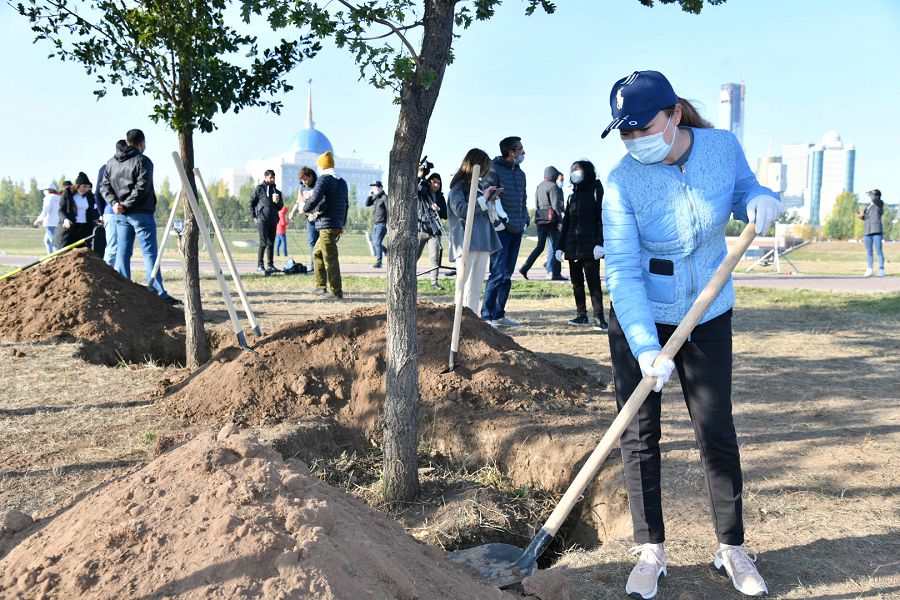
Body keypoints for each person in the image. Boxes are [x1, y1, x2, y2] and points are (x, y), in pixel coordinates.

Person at [600, 70, 782, 599]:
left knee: (715, 428)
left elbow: (745, 187)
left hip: (707, 312)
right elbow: (623, 272)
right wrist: (644, 345)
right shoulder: (622, 180)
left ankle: (731, 548)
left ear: (674, 114)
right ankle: (651, 550)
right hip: (641, 315)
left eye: (643, 128)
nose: (635, 141)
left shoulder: (721, 148)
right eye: (625, 133)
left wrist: (761, 196)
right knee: (638, 433)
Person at [100, 128, 178, 305]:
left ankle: (124, 291)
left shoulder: (111, 162)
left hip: (119, 213)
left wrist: (115, 204)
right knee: (150, 253)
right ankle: (157, 292)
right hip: (141, 212)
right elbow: (142, 187)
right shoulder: (143, 161)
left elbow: (104, 187)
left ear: (127, 142)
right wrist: (126, 205)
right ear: (142, 143)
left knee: (122, 253)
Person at [481, 136, 529, 327]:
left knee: (508, 274)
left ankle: (499, 313)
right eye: (520, 149)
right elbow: (489, 196)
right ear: (511, 152)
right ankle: (487, 315)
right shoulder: (493, 170)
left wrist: (525, 218)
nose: (523, 153)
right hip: (501, 230)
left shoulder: (521, 173)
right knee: (497, 273)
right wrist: (500, 221)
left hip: (518, 228)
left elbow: (523, 199)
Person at [447, 148, 501, 314]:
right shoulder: (459, 187)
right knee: (464, 286)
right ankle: (460, 320)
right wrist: (484, 199)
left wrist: (490, 201)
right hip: (466, 242)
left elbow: (479, 210)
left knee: (476, 288)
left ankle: (473, 321)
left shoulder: (478, 186)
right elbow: (462, 211)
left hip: (483, 241)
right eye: (484, 166)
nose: (485, 171)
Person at [555, 160, 607, 331]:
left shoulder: (596, 191)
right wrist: (560, 246)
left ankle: (599, 318)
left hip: (591, 246)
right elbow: (567, 222)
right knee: (576, 283)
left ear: (586, 171)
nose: (572, 173)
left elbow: (602, 219)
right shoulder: (572, 195)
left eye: (576, 169)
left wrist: (600, 243)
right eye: (571, 170)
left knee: (593, 283)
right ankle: (581, 315)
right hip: (573, 246)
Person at [303, 151, 348, 298]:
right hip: (335, 223)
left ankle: (336, 292)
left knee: (330, 258)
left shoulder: (324, 179)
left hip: (326, 224)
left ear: (321, 166)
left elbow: (315, 197)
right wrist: (342, 224)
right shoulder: (342, 182)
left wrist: (305, 208)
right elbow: (346, 205)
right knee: (317, 253)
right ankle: (321, 286)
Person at [519, 166, 564, 280]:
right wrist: (560, 221)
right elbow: (555, 206)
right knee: (556, 247)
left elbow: (537, 204)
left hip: (540, 220)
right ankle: (556, 274)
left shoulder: (539, 186)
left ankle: (524, 268)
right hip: (552, 221)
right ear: (553, 175)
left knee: (539, 247)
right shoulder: (553, 186)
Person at [97, 139, 128, 267]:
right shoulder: (107, 168)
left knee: (120, 248)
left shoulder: (109, 166)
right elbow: (98, 192)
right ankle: (108, 276)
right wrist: (101, 213)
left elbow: (98, 193)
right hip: (112, 211)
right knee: (114, 247)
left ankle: (118, 277)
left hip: (120, 211)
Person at [416, 172, 448, 289]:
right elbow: (416, 186)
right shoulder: (423, 194)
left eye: (439, 183)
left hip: (435, 231)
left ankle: (434, 282)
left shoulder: (441, 197)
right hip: (421, 229)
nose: (436, 185)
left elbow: (446, 214)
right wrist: (420, 175)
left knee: (434, 257)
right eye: (434, 182)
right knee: (415, 256)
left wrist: (438, 209)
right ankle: (409, 278)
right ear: (429, 182)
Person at [249, 169, 284, 274]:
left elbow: (280, 207)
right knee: (263, 242)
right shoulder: (260, 189)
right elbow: (251, 202)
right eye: (270, 177)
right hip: (262, 220)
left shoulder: (277, 192)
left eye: (273, 177)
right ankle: (260, 265)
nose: (272, 179)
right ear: (265, 178)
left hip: (273, 220)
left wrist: (278, 202)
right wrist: (254, 216)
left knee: (271, 243)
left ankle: (270, 265)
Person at [55, 173, 100, 249]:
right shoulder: (68, 193)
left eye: (88, 187)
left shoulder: (90, 196)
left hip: (84, 228)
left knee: (83, 252)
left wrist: (97, 219)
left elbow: (92, 211)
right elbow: (61, 209)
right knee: (66, 251)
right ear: (78, 186)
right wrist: (65, 219)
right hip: (71, 227)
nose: (86, 189)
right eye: (84, 186)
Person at [288, 166, 319, 272]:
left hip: (321, 218)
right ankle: (314, 266)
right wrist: (293, 212)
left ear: (311, 176)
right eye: (302, 180)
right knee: (312, 243)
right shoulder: (302, 188)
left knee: (323, 244)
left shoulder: (318, 185)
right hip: (310, 220)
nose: (304, 182)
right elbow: (299, 201)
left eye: (305, 179)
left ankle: (324, 267)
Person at [858, 189, 885, 277]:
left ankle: (881, 269)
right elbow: (866, 217)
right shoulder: (868, 206)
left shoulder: (879, 203)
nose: (870, 196)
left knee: (879, 251)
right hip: (867, 230)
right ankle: (870, 269)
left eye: (872, 195)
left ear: (877, 196)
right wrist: (861, 216)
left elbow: (875, 199)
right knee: (869, 251)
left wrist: (869, 192)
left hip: (876, 230)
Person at [33, 182, 61, 254]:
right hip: (58, 223)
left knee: (54, 242)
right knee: (47, 241)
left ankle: (57, 258)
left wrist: (38, 220)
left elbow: (45, 210)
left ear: (48, 190)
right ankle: (50, 257)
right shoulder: (59, 197)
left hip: (50, 223)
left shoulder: (48, 198)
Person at [366, 180, 389, 268]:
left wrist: (388, 224)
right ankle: (387, 252)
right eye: (373, 187)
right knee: (375, 242)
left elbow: (389, 210)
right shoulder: (375, 197)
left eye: (375, 187)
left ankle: (379, 263)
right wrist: (369, 196)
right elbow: (367, 204)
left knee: (376, 242)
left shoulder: (384, 197)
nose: (374, 189)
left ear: (381, 188)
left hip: (382, 224)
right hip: (375, 224)